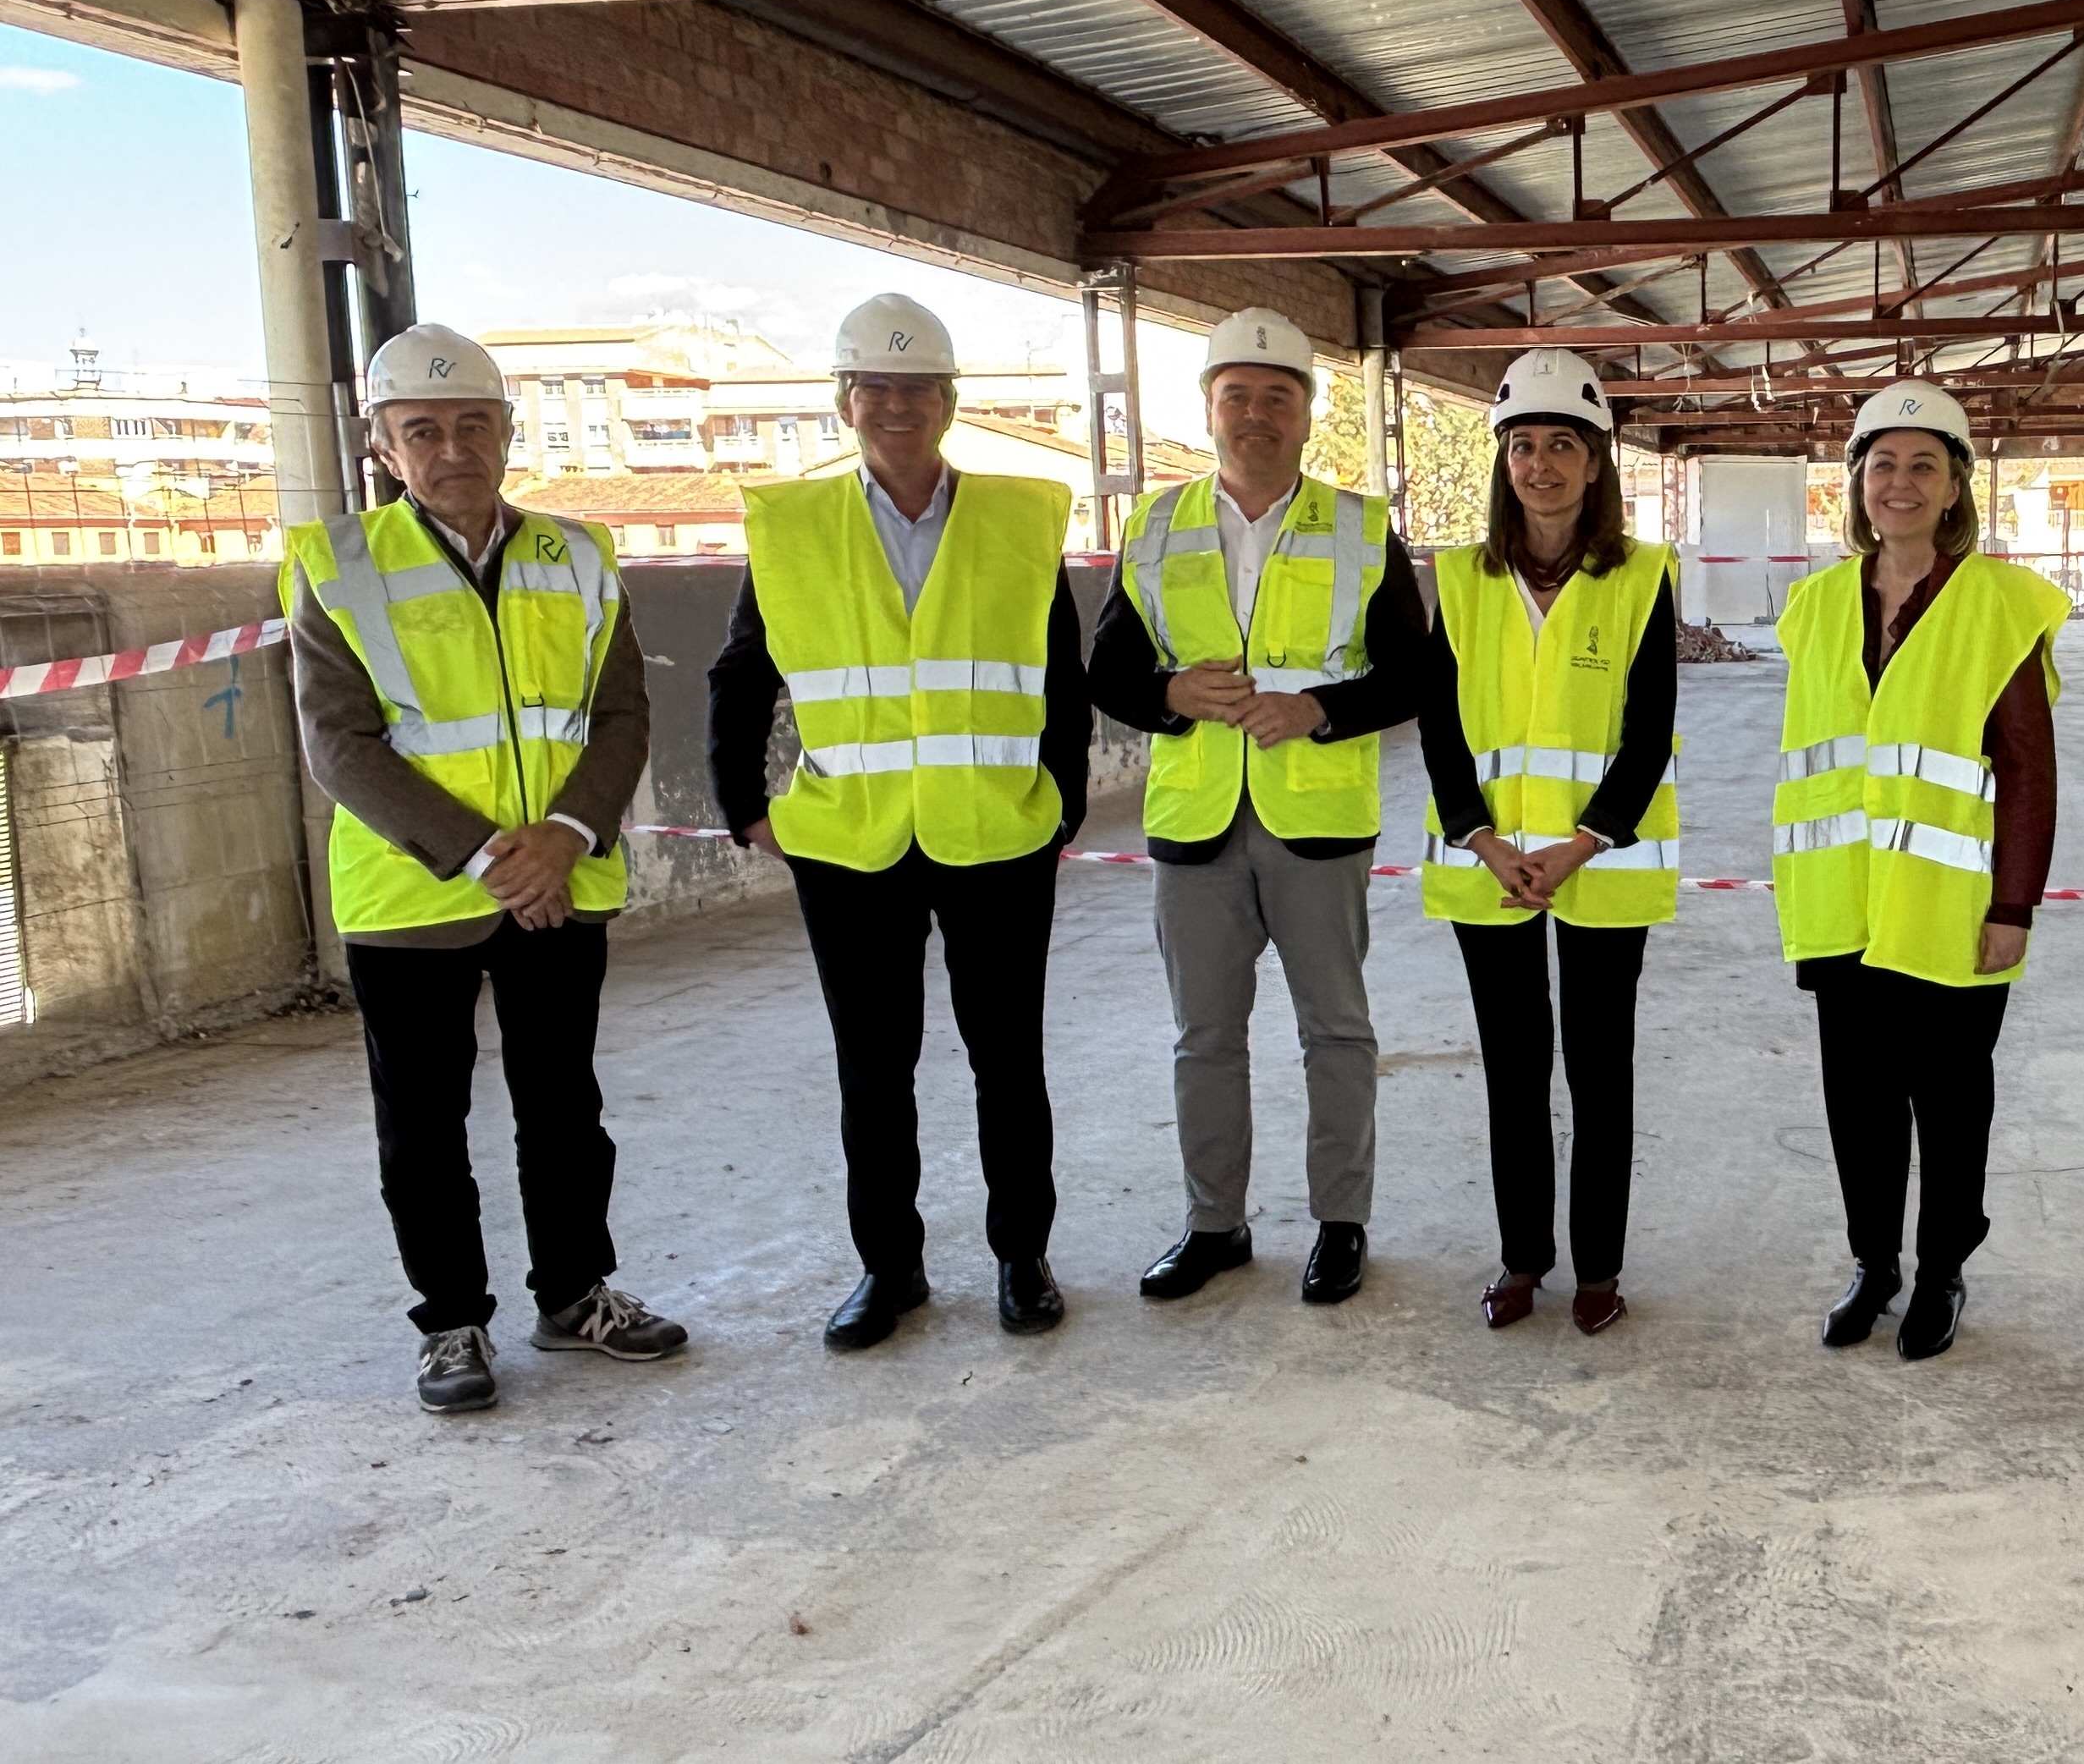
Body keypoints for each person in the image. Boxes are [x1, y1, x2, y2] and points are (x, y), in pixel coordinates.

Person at [283, 323, 679, 1413]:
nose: (452, 448)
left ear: (507, 431)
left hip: (562, 880)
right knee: (423, 1126)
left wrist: (567, 836)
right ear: (383, 445)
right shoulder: (337, 563)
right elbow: (340, 744)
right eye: (422, 430)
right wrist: (486, 856)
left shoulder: (580, 555)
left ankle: (575, 1295)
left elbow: (620, 713)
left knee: (565, 1108)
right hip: (414, 896)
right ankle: (451, 1321)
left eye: (473, 424)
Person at [707, 293, 1091, 1351]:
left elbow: (1060, 674)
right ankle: (890, 1267)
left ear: (949, 402)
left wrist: (1057, 800)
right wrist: (743, 805)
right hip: (851, 839)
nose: (895, 405)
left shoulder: (1018, 521)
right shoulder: (794, 528)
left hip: (998, 832)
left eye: (916, 387)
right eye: (873, 387)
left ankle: (1022, 1255)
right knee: (873, 1070)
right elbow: (743, 672)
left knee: (1007, 1060)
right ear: (844, 401)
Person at [1088, 308, 1428, 1309]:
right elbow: (1106, 671)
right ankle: (1214, 1225)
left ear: (1307, 415)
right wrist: (1169, 693)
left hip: (1316, 820)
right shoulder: (1154, 527)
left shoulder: (1361, 527)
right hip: (1195, 821)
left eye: (1278, 397)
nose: (1256, 414)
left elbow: (1414, 675)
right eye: (1236, 395)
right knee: (1204, 1037)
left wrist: (1318, 708)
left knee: (1336, 1031)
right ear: (1208, 410)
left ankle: (1341, 1224)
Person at [1772, 380, 2066, 1361]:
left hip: (1952, 907)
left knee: (1948, 1101)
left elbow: (2027, 770)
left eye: (1923, 466)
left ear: (1954, 489)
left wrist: (2014, 906)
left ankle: (1941, 1270)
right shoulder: (1814, 608)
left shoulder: (2000, 605)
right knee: (1857, 1101)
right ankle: (1874, 1264)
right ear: (1855, 484)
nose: (1899, 483)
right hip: (1841, 903)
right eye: (1882, 464)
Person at [1417, 349, 1680, 1336]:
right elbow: (1440, 728)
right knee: (1514, 1071)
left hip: (1599, 865)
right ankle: (1524, 1256)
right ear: (1503, 461)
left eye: (1562, 445)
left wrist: (1580, 843)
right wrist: (1483, 839)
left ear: (1596, 462)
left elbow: (1649, 732)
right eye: (1522, 445)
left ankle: (1599, 1268)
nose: (1540, 464)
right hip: (1490, 867)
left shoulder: (1642, 577)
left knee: (1599, 1073)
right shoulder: (1462, 578)